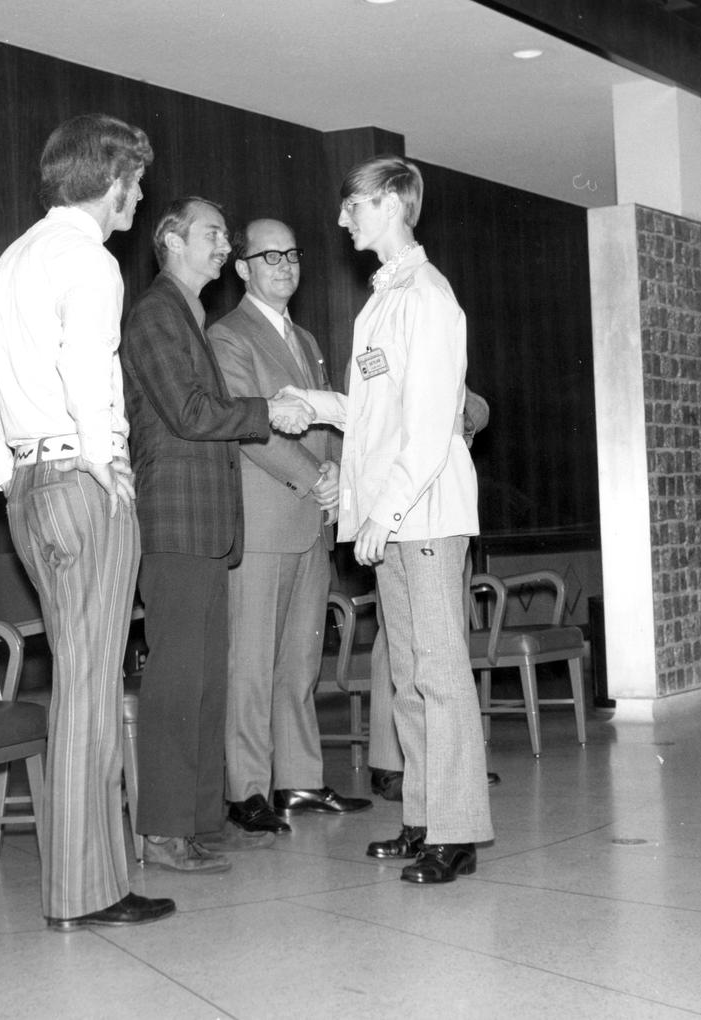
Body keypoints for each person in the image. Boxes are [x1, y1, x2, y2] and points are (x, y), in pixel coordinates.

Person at [0, 114, 174, 929]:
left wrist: (9, 471)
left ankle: (93, 882)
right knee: (90, 684)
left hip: (32, 490)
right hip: (83, 489)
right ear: (111, 179)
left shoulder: (13, 261)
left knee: (78, 679)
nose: (140, 195)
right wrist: (102, 454)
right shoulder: (89, 260)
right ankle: (86, 892)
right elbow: (87, 367)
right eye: (136, 181)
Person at [281, 156, 494, 884]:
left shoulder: (429, 299)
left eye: (355, 206)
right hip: (398, 516)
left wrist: (386, 509)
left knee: (438, 673)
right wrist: (316, 406)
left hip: (426, 515)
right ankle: (422, 818)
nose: (344, 220)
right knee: (407, 677)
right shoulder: (383, 300)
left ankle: (457, 829)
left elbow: (432, 426)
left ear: (396, 204)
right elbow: (376, 415)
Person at [120, 198, 315, 873]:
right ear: (171, 239)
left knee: (206, 682)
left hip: (205, 524)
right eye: (210, 235)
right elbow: (189, 411)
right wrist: (270, 412)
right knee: (177, 681)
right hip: (175, 521)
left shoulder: (189, 316)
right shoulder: (154, 313)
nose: (220, 244)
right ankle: (164, 831)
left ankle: (202, 822)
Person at [207, 218, 372, 834]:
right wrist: (315, 476)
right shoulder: (226, 337)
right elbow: (252, 426)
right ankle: (246, 790)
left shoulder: (304, 338)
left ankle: (298, 780)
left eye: (292, 253)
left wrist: (337, 477)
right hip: (267, 517)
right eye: (268, 255)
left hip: (311, 517)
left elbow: (324, 419)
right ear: (242, 267)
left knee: (300, 662)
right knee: (250, 663)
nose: (284, 264)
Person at [368, 385, 495, 802]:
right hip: (398, 508)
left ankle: (449, 784)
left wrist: (455, 413)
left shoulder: (433, 328)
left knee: (440, 654)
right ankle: (393, 766)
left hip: (441, 507)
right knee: (401, 651)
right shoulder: (375, 339)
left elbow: (479, 407)